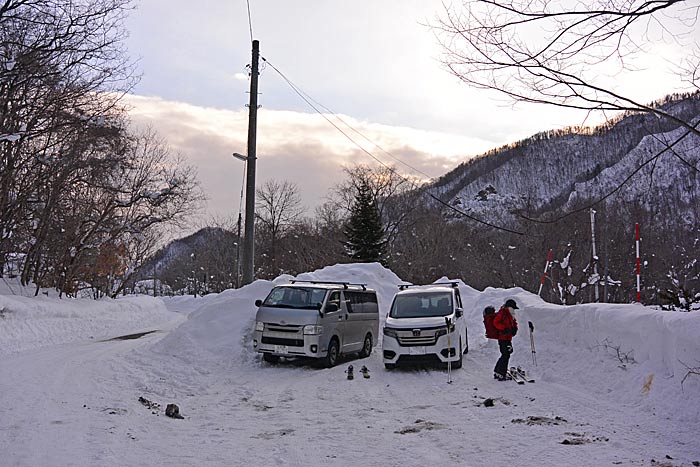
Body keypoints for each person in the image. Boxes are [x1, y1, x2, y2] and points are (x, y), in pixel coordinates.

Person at [493, 299, 519, 381]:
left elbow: (513, 323)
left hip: (507, 338)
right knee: (506, 354)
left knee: (506, 354)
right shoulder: (503, 313)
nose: (514, 309)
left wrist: (515, 329)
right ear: (509, 307)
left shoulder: (510, 314)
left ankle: (498, 371)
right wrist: (504, 329)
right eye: (513, 308)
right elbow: (495, 322)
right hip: (502, 338)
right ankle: (501, 373)